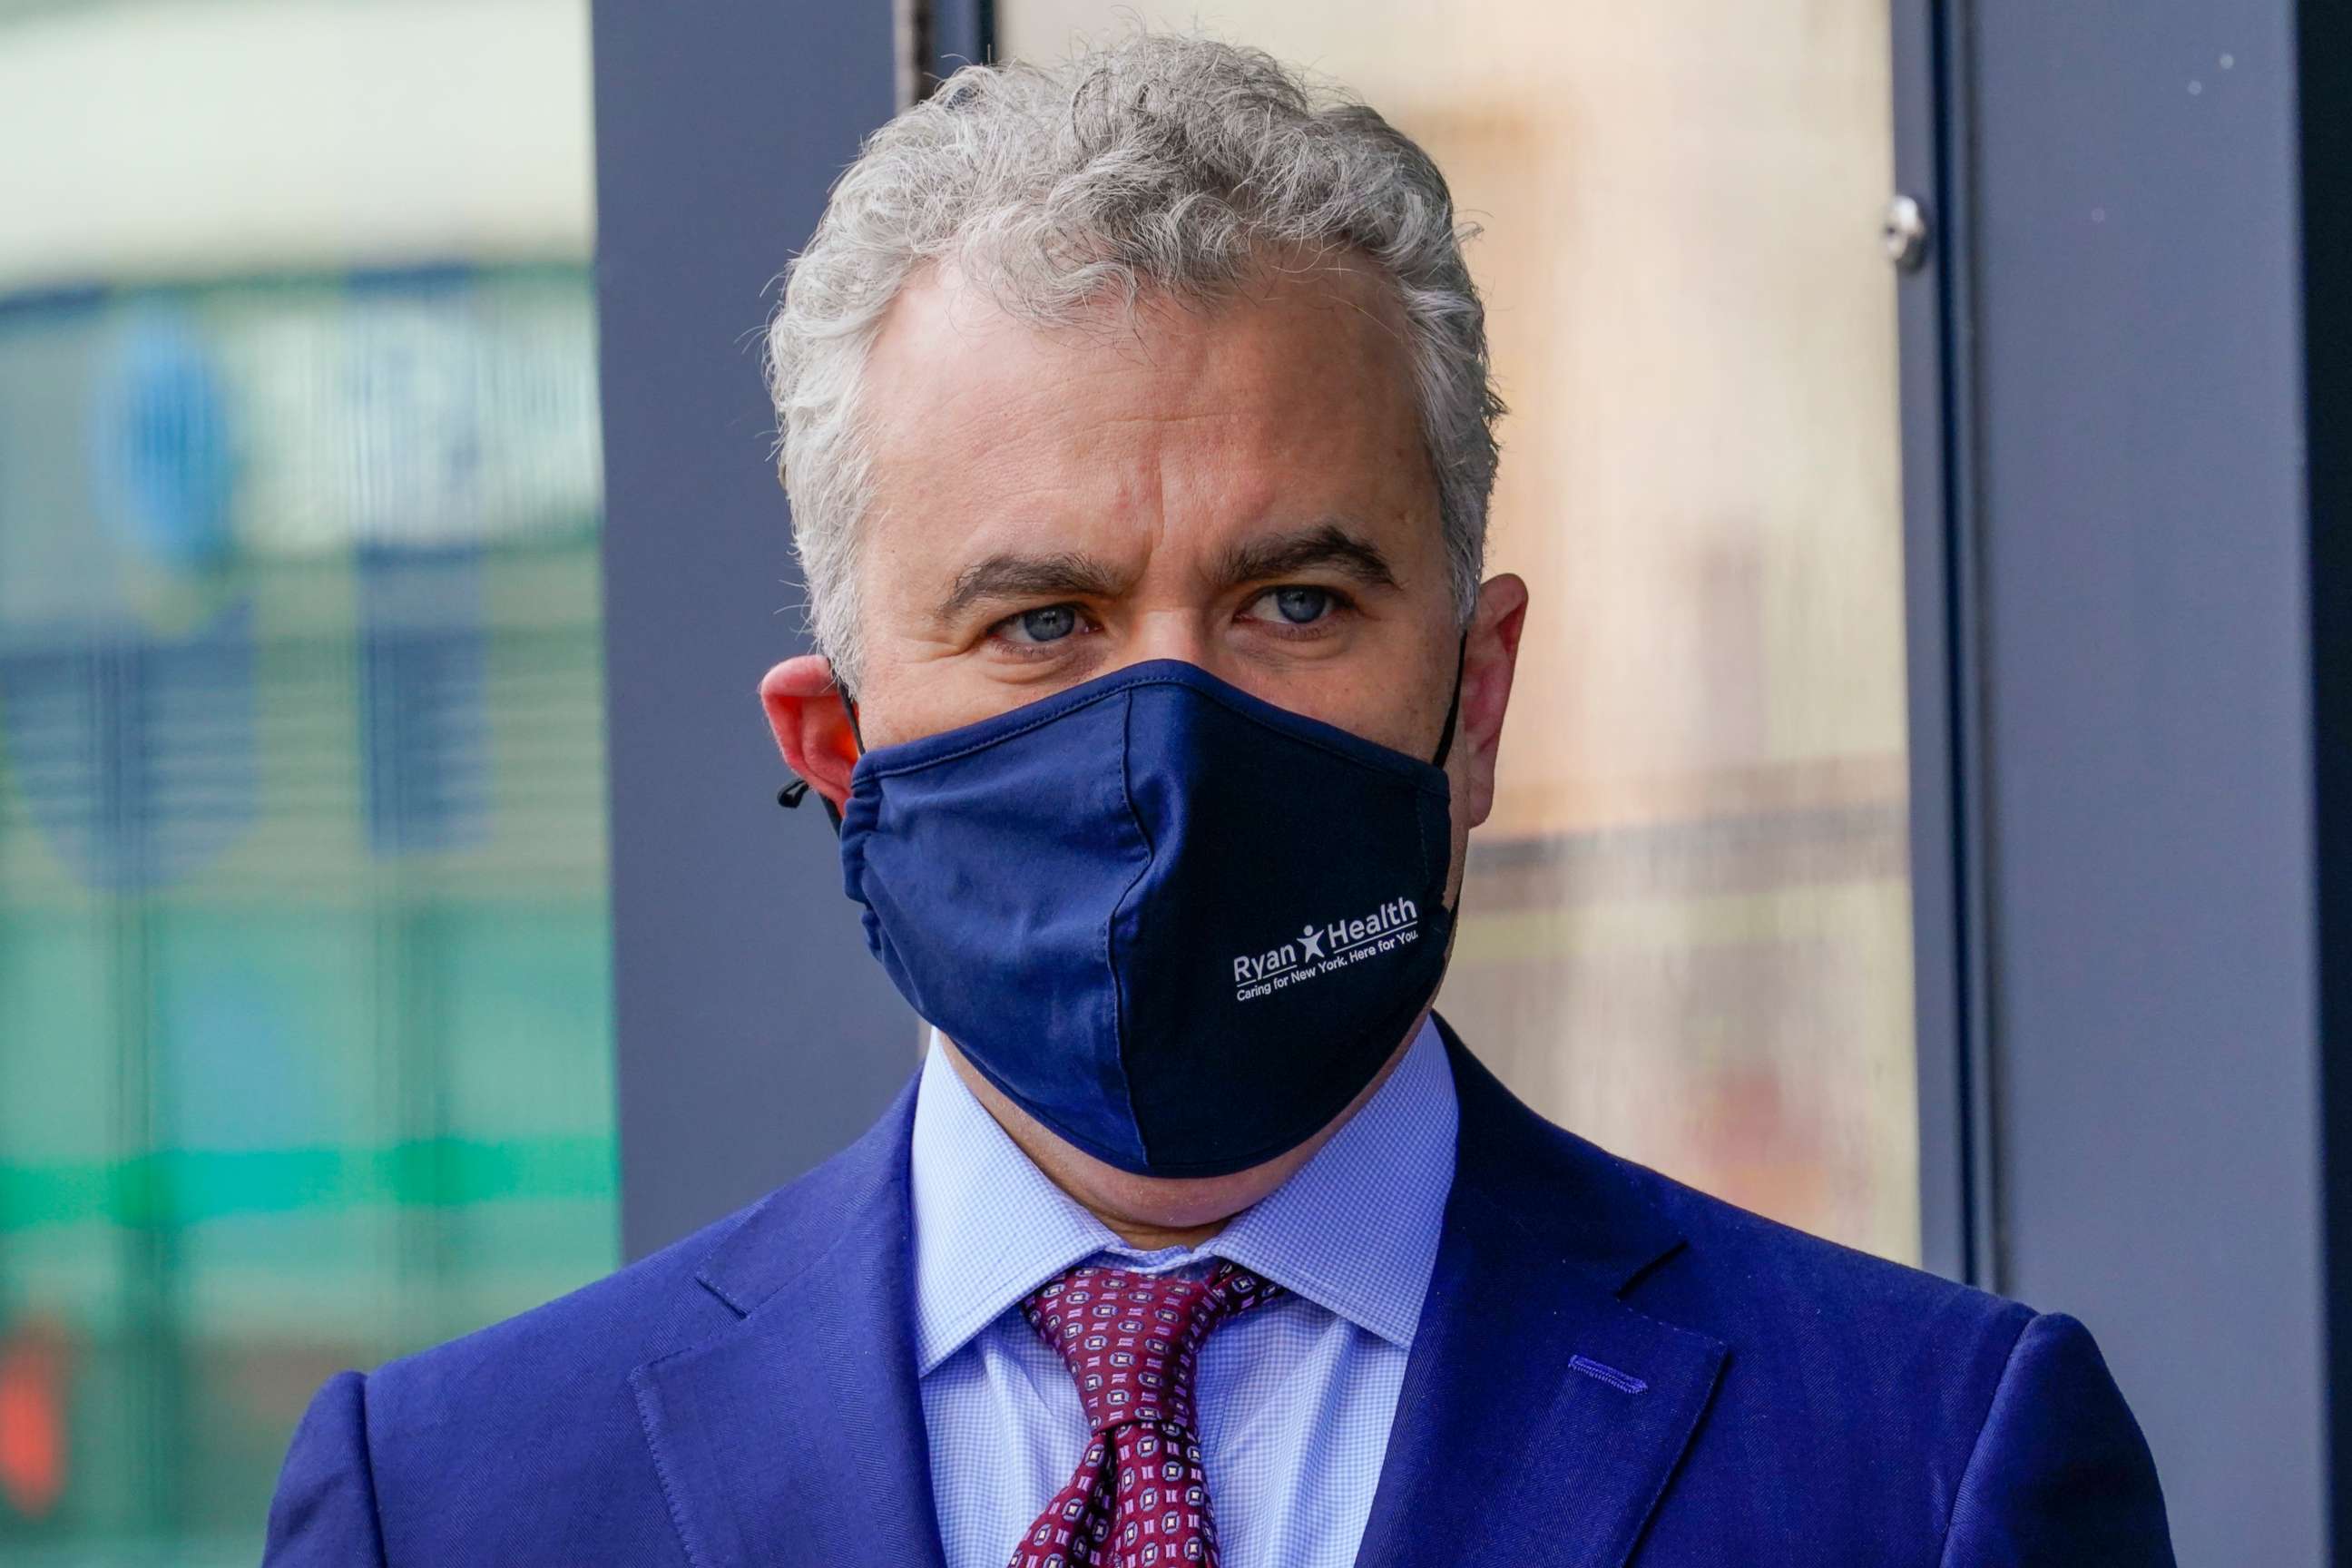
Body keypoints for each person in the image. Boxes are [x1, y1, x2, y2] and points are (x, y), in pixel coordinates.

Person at [261, 31, 2173, 1568]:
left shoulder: (1923, 1475)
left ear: (1478, 696)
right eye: (1042, 619)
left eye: (1294, 601)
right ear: (837, 755)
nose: (1171, 734)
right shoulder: (450, 1504)